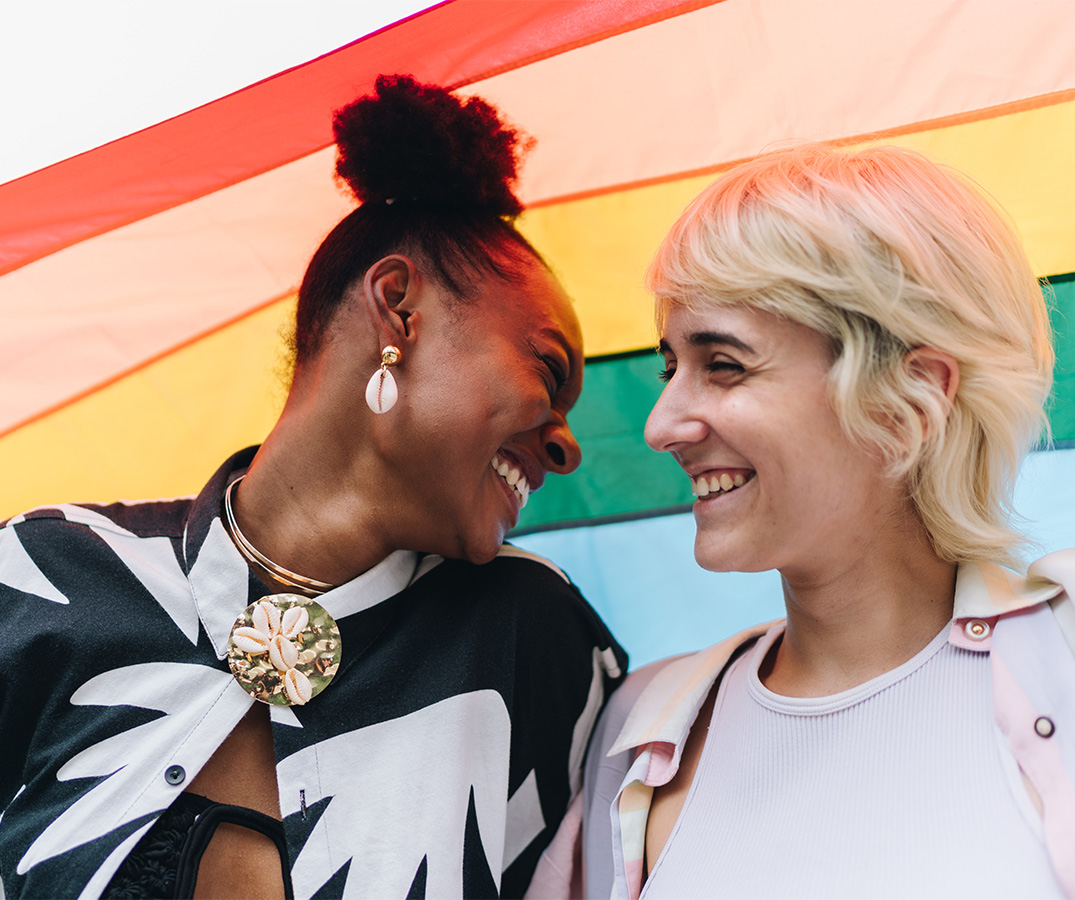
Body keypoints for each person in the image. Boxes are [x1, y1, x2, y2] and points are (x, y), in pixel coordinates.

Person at [0, 76, 625, 900]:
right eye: (548, 368)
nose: (567, 446)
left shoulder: (539, 643)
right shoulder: (42, 575)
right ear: (398, 308)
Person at [529, 143, 1075, 899]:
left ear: (910, 397)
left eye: (723, 364)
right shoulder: (640, 726)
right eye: (670, 367)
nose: (660, 425)